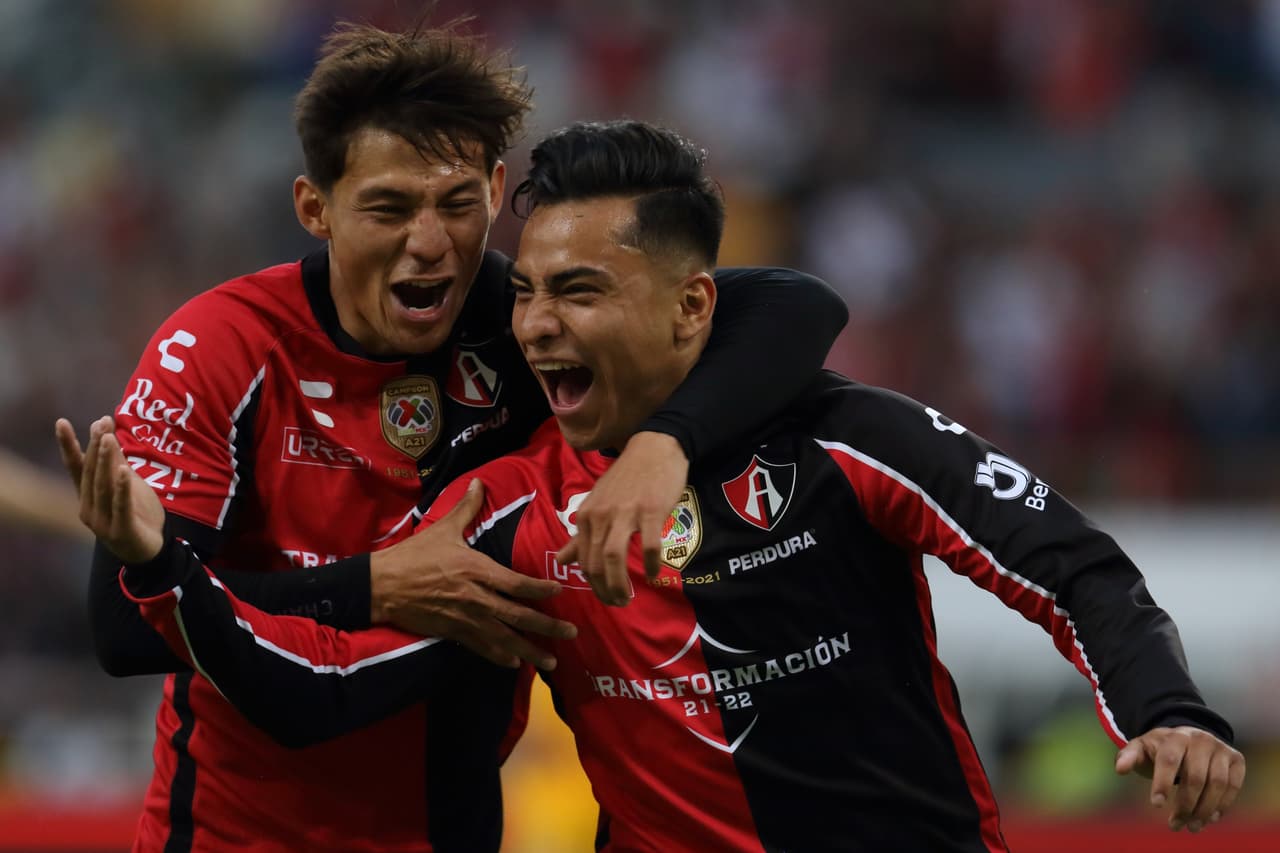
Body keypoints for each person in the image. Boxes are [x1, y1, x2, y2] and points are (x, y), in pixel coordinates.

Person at [67, 119, 1244, 851]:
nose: (531, 324)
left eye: (577, 291)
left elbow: (1067, 564)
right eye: (523, 292)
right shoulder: (509, 514)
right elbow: (306, 691)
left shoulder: (840, 438)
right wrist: (163, 564)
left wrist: (1167, 707)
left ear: (691, 305)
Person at [54, 21, 849, 853]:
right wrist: (373, 586)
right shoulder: (217, 348)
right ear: (314, 206)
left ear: (498, 188)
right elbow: (123, 629)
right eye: (390, 207)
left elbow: (795, 306)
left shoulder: (526, 330)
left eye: (458, 203)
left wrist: (666, 442)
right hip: (229, 835)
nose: (430, 242)